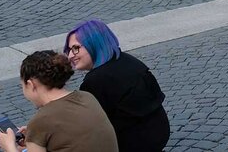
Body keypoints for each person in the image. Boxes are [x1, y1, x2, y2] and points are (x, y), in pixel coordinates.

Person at [64, 19, 169, 152]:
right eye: (69, 50)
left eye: (76, 48)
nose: (70, 56)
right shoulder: (127, 60)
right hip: (159, 130)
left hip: (133, 143)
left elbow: (91, 126)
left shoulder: (96, 80)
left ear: (95, 45)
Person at [0, 50, 117, 152]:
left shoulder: (41, 121)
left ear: (30, 84)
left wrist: (10, 147)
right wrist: (36, 138)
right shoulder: (87, 97)